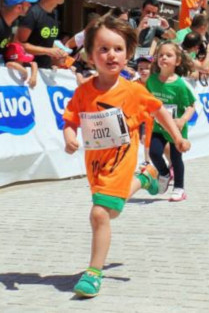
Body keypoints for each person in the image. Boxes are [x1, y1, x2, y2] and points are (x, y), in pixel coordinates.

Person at [62, 15, 190, 298]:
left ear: (128, 54)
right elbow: (70, 119)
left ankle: (93, 273)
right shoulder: (83, 92)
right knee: (113, 211)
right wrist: (69, 136)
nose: (111, 55)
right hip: (96, 165)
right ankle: (146, 178)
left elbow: (159, 111)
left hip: (121, 161)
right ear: (90, 55)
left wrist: (177, 137)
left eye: (118, 49)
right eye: (103, 49)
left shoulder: (133, 91)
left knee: (99, 214)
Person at [146, 42, 196, 202]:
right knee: (153, 152)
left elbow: (191, 106)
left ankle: (179, 188)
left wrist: (182, 120)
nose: (164, 58)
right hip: (158, 127)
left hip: (176, 129)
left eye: (168, 55)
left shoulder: (180, 84)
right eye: (161, 55)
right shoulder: (151, 81)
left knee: (176, 159)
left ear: (178, 61)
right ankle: (164, 173)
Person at [16, 0, 69, 69]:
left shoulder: (54, 14)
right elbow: (19, 44)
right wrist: (48, 51)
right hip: (28, 71)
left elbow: (44, 41)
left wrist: (58, 52)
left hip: (45, 71)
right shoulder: (32, 13)